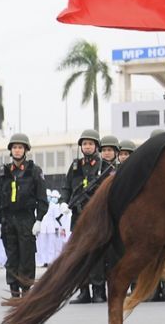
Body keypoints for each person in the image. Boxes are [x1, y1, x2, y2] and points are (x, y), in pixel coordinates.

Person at [0, 133, 48, 298]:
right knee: (12, 256)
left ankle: (26, 291)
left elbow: (42, 199)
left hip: (26, 219)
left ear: (26, 150)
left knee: (27, 256)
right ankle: (14, 291)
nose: (17, 150)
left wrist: (38, 220)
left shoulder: (34, 171)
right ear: (11, 150)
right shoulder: (4, 172)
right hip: (8, 219)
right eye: (15, 147)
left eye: (20, 147)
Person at [62, 129, 113, 303]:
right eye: (85, 144)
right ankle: (84, 291)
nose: (87, 146)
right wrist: (64, 202)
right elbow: (67, 187)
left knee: (97, 254)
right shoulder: (75, 166)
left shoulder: (105, 167)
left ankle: (99, 291)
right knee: (80, 254)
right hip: (78, 215)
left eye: (91, 144)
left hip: (97, 216)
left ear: (96, 146)